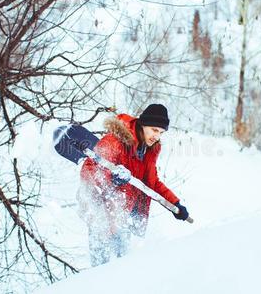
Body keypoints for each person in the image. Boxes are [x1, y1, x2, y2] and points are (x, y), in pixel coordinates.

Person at [77, 104, 190, 266]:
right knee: (101, 271)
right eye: (154, 130)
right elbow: (89, 171)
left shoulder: (149, 149)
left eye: (161, 132)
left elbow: (151, 182)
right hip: (101, 214)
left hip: (124, 214)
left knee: (126, 267)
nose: (157, 136)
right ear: (143, 124)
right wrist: (113, 179)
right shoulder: (116, 140)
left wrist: (175, 204)